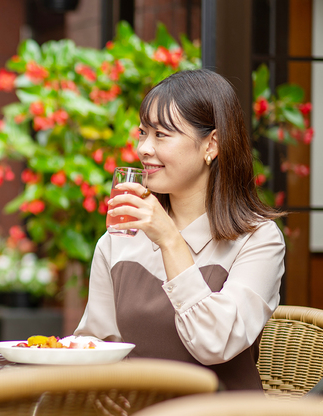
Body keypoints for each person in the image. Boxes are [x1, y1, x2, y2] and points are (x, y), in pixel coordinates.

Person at [74, 69, 285, 390]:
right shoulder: (119, 238)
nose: (143, 148)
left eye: (161, 134)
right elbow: (97, 344)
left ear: (211, 144)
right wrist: (100, 382)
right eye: (143, 133)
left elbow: (215, 344)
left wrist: (170, 240)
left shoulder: (259, 239)